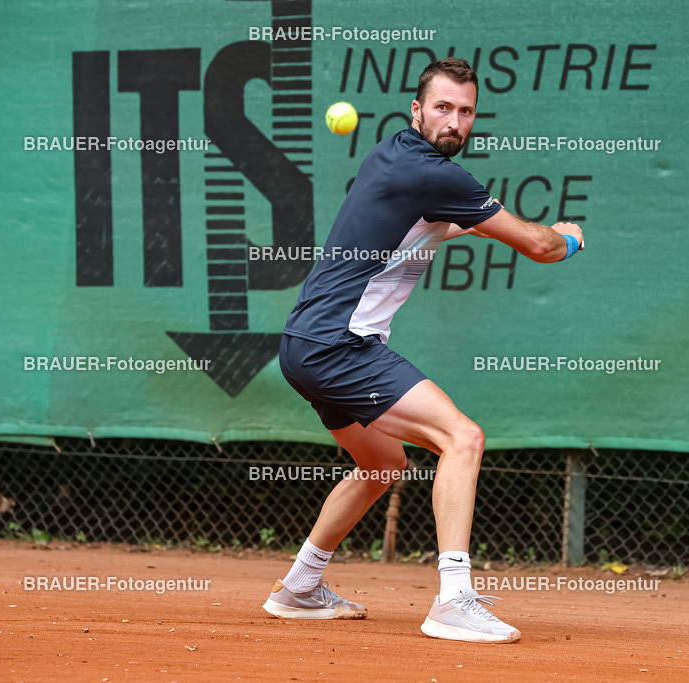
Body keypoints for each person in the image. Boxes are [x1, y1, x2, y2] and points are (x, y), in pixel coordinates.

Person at [261, 57, 584, 644]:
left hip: (304, 343)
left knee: (383, 466)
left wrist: (495, 227)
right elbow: (537, 246)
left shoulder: (392, 154)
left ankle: (300, 587)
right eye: (442, 107)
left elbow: (442, 222)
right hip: (339, 345)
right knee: (463, 437)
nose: (453, 121)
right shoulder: (437, 175)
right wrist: (567, 240)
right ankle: (454, 599)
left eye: (465, 111)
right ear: (417, 110)